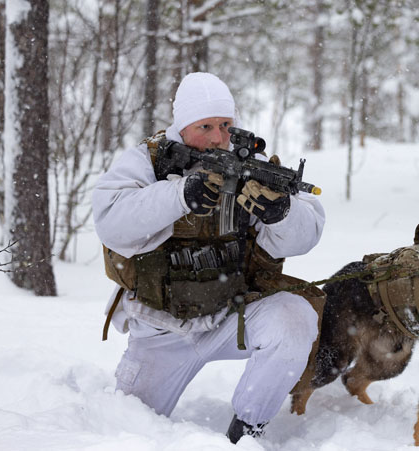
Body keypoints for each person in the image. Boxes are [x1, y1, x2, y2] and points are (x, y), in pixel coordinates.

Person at [92, 72, 325, 444]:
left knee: (295, 319)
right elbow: (112, 223)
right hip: (160, 327)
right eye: (205, 126)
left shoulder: (254, 166)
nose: (218, 138)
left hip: (229, 316)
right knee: (125, 430)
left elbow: (306, 234)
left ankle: (248, 430)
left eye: (225, 125)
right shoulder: (149, 161)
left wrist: (281, 212)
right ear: (182, 128)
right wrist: (181, 195)